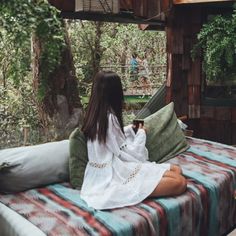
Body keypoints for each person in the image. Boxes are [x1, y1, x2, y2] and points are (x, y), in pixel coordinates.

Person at [81, 71, 187, 210]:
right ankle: (138, 191)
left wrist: (130, 129)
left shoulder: (94, 116)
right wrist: (141, 133)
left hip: (99, 173)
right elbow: (131, 153)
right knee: (180, 182)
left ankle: (143, 187)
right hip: (113, 174)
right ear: (115, 93)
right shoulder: (109, 118)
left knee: (176, 170)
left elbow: (111, 139)